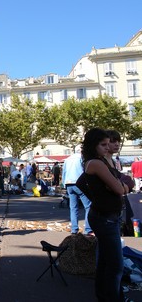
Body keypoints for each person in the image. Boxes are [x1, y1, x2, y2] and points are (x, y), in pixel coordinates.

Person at [81, 128, 128, 302]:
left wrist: (120, 185)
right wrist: (124, 186)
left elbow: (117, 185)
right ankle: (111, 298)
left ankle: (104, 295)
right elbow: (119, 188)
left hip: (105, 215)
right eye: (103, 145)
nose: (107, 148)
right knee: (115, 264)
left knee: (105, 261)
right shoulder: (96, 163)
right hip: (105, 217)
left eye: (108, 144)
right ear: (93, 145)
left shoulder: (98, 161)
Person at [62, 153, 93, 235]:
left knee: (73, 207)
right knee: (88, 206)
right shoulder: (82, 158)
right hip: (79, 182)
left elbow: (64, 172)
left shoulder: (67, 159)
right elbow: (85, 171)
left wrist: (64, 184)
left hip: (69, 183)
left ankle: (74, 228)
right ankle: (88, 228)